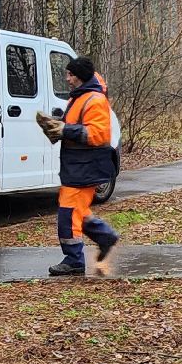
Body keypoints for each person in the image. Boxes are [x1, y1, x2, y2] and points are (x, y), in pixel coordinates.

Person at [37, 56, 121, 276]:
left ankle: (74, 260)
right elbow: (76, 127)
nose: (67, 78)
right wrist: (54, 126)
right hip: (78, 166)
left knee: (68, 214)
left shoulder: (93, 99)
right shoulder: (80, 98)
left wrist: (64, 129)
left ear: (80, 76)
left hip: (86, 167)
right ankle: (105, 237)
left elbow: (98, 134)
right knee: (77, 211)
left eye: (70, 74)